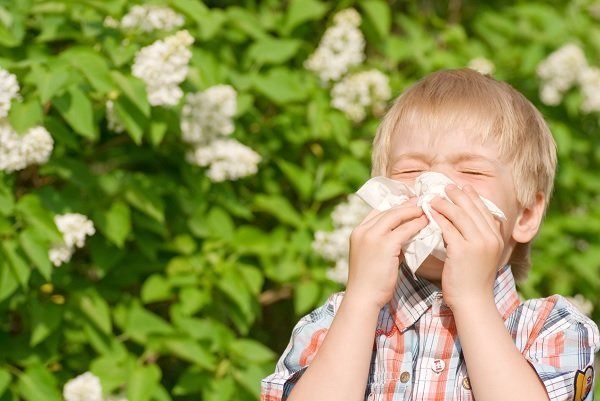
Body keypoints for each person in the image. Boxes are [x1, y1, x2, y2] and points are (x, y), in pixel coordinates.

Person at [260, 69, 600, 401]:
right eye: (411, 169)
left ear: (525, 215)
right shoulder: (335, 321)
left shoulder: (554, 330)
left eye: (472, 170)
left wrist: (471, 299)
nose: (434, 186)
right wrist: (361, 298)